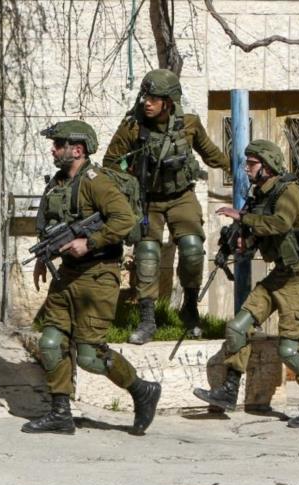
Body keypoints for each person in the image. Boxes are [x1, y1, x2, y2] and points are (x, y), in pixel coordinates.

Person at [23, 120, 161, 436]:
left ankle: (142, 390)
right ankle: (60, 413)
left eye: (59, 144)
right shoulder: (58, 184)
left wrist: (91, 242)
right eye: (54, 144)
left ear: (78, 149)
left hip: (97, 277)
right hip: (67, 276)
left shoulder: (96, 182)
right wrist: (44, 259)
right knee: (51, 341)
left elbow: (125, 220)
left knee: (89, 355)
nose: (53, 149)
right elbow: (55, 227)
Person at [193, 140, 299, 428]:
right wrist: (237, 242)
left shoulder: (289, 191)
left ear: (267, 166)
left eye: (252, 163)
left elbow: (280, 224)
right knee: (237, 328)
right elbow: (260, 232)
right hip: (281, 274)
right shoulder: (262, 195)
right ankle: (228, 392)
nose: (247, 168)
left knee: (289, 349)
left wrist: (242, 216)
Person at [103, 69, 229, 344]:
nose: (147, 102)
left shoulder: (190, 124)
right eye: (145, 95)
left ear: (168, 102)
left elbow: (211, 154)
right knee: (147, 254)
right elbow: (110, 163)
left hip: (181, 196)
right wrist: (130, 186)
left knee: (193, 249)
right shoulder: (132, 127)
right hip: (147, 199)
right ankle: (148, 320)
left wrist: (240, 167)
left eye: (154, 97)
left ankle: (190, 309)